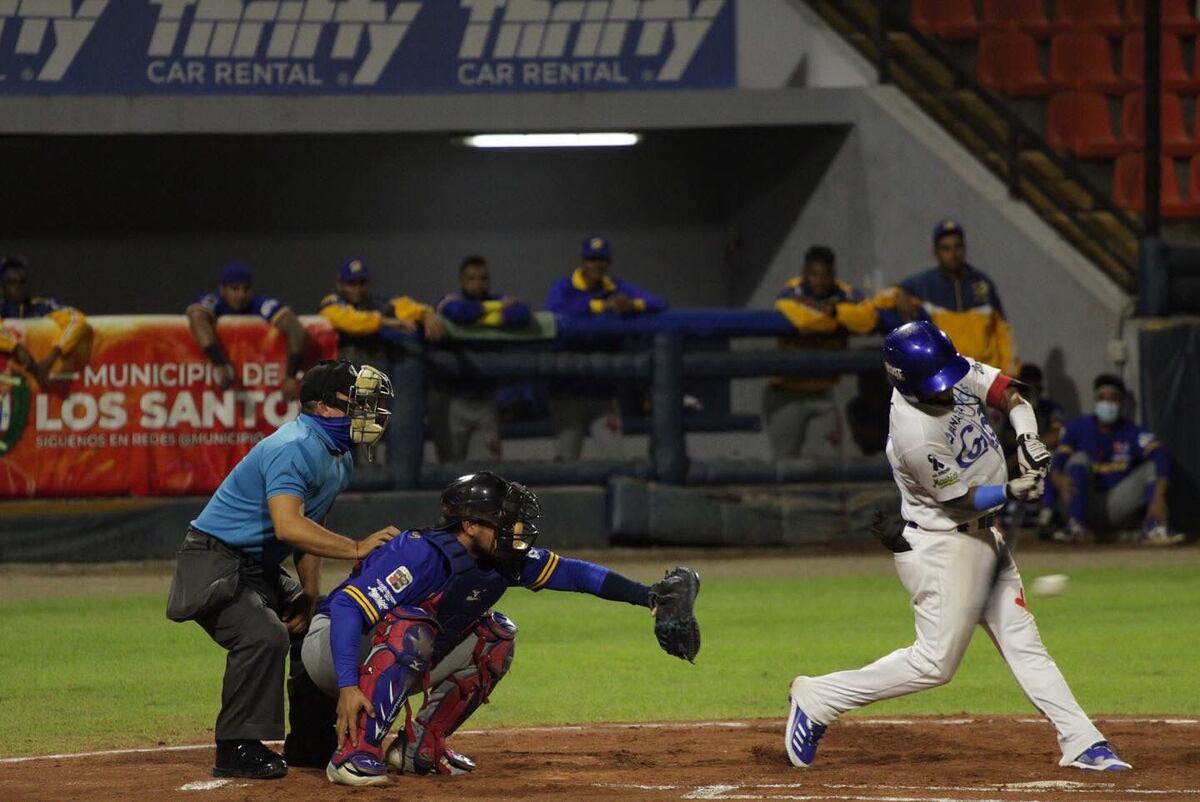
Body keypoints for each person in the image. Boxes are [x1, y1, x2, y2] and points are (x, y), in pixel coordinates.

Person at [785, 321, 1133, 773]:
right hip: (943, 549)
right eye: (937, 385)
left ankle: (1082, 740)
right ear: (904, 383)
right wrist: (1013, 489)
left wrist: (1028, 438)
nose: (948, 389)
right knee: (935, 664)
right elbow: (960, 501)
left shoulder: (942, 368)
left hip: (985, 540)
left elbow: (1010, 393)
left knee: (1023, 643)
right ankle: (821, 697)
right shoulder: (913, 433)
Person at [295, 471, 700, 786]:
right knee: (412, 625)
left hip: (392, 650)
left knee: (495, 637)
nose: (516, 530)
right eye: (503, 521)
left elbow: (577, 575)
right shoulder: (420, 553)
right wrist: (347, 684)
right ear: (469, 526)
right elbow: (348, 607)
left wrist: (648, 596)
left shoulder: (505, 558)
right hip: (333, 647)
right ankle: (353, 753)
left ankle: (418, 748)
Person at [165, 360, 398, 780]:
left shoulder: (338, 457)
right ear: (325, 407)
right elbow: (288, 525)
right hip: (213, 558)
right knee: (263, 633)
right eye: (359, 403)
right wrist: (357, 548)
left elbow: (308, 533)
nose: (370, 413)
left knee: (321, 624)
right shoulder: (294, 444)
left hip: (257, 565)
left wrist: (309, 596)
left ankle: (310, 742)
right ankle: (236, 747)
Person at [543, 235, 668, 460]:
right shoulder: (565, 286)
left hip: (603, 391)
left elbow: (659, 302)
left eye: (601, 259)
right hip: (568, 389)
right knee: (565, 460)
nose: (597, 265)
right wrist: (601, 305)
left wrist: (633, 304)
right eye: (592, 259)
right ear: (582, 261)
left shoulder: (616, 287)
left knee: (616, 460)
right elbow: (554, 308)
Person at [766, 246, 877, 458]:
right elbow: (805, 320)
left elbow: (868, 317)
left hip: (824, 393)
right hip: (787, 393)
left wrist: (833, 310)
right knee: (784, 465)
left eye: (826, 275)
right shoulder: (792, 291)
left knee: (828, 464)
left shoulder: (843, 292)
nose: (820, 281)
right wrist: (838, 317)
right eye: (814, 274)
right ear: (804, 273)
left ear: (833, 275)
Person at [1048, 374, 1183, 545]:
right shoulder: (1079, 427)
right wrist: (1058, 480)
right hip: (1083, 501)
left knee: (1152, 467)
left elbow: (1161, 456)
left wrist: (1158, 497)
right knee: (1078, 459)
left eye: (1113, 399)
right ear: (1096, 401)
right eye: (1102, 399)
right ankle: (1075, 527)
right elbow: (1059, 458)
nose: (1107, 404)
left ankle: (1154, 528)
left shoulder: (1131, 431)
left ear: (1122, 404)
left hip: (1115, 504)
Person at [430, 255, 532, 462]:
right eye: (472, 278)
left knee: (487, 470)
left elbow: (522, 313)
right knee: (450, 467)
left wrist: (488, 312)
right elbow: (459, 312)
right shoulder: (451, 300)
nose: (478, 284)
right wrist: (495, 311)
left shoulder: (496, 300)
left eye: (483, 278)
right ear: (462, 280)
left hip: (486, 399)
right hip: (453, 400)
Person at [897, 220, 1018, 374]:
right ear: (936, 252)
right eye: (946, 248)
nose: (953, 254)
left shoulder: (982, 283)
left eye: (957, 247)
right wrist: (899, 292)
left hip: (986, 379)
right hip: (947, 379)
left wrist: (1009, 377)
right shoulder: (923, 285)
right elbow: (891, 293)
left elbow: (1003, 333)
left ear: (964, 248)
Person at [187, 261, 308, 401]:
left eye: (246, 289)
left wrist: (290, 376)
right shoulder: (213, 301)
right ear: (222, 289)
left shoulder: (259, 303)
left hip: (264, 392)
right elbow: (197, 318)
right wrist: (219, 364)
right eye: (235, 289)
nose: (241, 295)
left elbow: (296, 329)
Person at [318, 257, 446, 367]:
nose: (357, 288)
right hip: (343, 366)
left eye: (361, 283)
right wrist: (384, 321)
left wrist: (426, 314)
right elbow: (350, 321)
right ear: (340, 284)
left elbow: (404, 306)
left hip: (377, 365)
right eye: (351, 283)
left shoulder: (374, 302)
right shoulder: (332, 302)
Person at [0, 256, 90, 386]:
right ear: (3, 288)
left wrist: (53, 356)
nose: (18, 287)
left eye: (23, 281)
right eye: (12, 282)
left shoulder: (44, 306)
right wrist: (15, 348)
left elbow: (77, 320)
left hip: (44, 383)